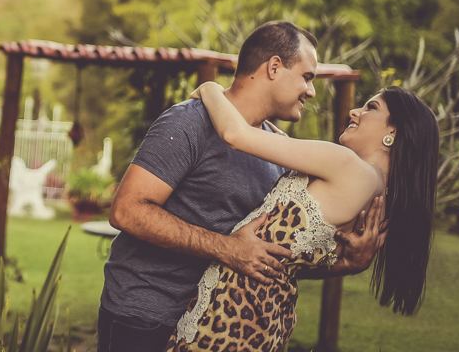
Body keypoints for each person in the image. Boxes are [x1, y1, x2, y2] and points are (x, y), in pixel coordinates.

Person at [97, 22, 386, 352]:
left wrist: (346, 265)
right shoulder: (189, 122)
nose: (311, 91)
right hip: (144, 316)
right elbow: (126, 211)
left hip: (210, 328)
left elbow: (262, 258)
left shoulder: (277, 150)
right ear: (274, 67)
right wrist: (225, 247)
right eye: (307, 76)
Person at [167, 82, 439, 351]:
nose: (354, 111)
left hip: (230, 320)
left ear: (393, 130)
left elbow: (234, 135)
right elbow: (290, 257)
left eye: (371, 107)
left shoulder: (348, 166)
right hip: (260, 320)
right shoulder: (378, 196)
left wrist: (209, 88)